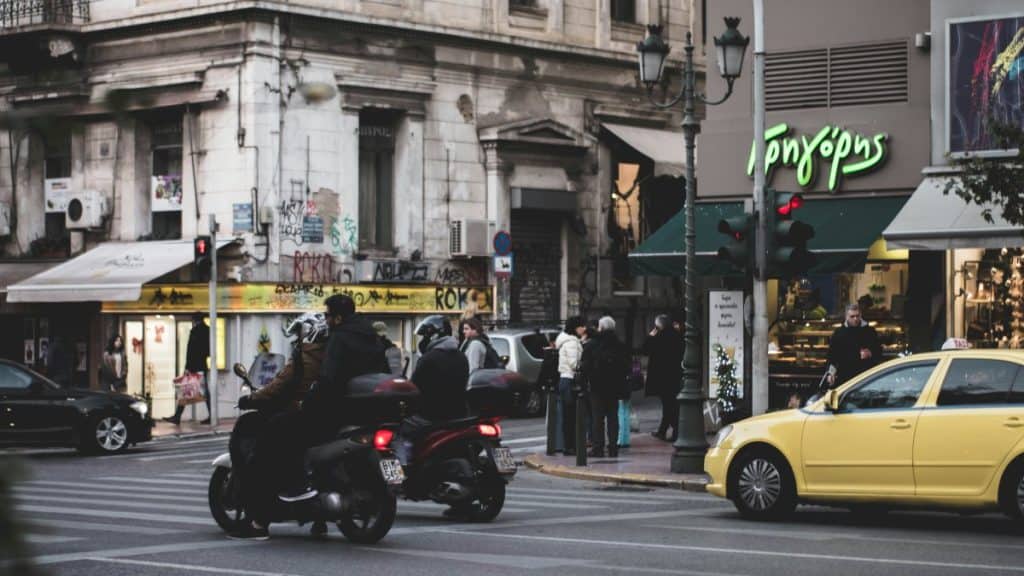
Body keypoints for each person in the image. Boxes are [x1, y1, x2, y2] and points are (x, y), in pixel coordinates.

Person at [397, 316, 470, 461]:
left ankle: (404, 466)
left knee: (399, 430)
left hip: (430, 416)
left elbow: (414, 388)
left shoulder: (428, 359)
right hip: (458, 414)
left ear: (434, 336)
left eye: (424, 336)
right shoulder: (461, 356)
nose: (422, 341)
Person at [243, 313, 328, 413]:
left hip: (298, 409)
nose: (297, 339)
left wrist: (252, 398)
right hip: (318, 409)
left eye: (298, 334)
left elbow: (279, 384)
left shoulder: (303, 357)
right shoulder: (328, 356)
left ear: (309, 333)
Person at [580, 316, 630, 458]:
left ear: (600, 328)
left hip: (597, 386)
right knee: (613, 417)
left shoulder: (592, 344)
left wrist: (585, 383)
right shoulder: (619, 344)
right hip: (614, 386)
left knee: (598, 418)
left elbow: (585, 366)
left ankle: (598, 448)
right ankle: (613, 448)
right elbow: (626, 366)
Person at [164, 313, 210, 425]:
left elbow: (191, 352)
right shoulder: (207, 331)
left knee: (192, 391)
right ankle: (177, 416)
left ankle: (177, 417)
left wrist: (188, 368)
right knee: (192, 391)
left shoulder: (196, 332)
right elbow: (207, 351)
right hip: (200, 366)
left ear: (195, 320)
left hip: (195, 367)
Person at [643, 314, 683, 442]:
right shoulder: (677, 336)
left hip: (662, 377)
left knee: (669, 405)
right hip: (675, 376)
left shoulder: (657, 337)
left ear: (658, 325)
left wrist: (650, 336)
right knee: (670, 404)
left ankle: (675, 431)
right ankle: (663, 430)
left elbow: (645, 349)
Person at [825, 303, 882, 389]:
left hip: (866, 376)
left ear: (860, 315)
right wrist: (831, 373)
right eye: (852, 316)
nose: (855, 319)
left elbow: (879, 350)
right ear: (846, 317)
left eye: (857, 316)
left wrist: (870, 353)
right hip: (845, 377)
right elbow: (832, 356)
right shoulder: (839, 333)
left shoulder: (869, 331)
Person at [554, 317, 585, 455]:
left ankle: (568, 445)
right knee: (571, 416)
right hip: (570, 380)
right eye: (581, 326)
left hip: (564, 380)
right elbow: (574, 364)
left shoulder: (565, 340)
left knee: (567, 415)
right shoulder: (572, 342)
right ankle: (570, 447)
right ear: (575, 327)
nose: (583, 329)